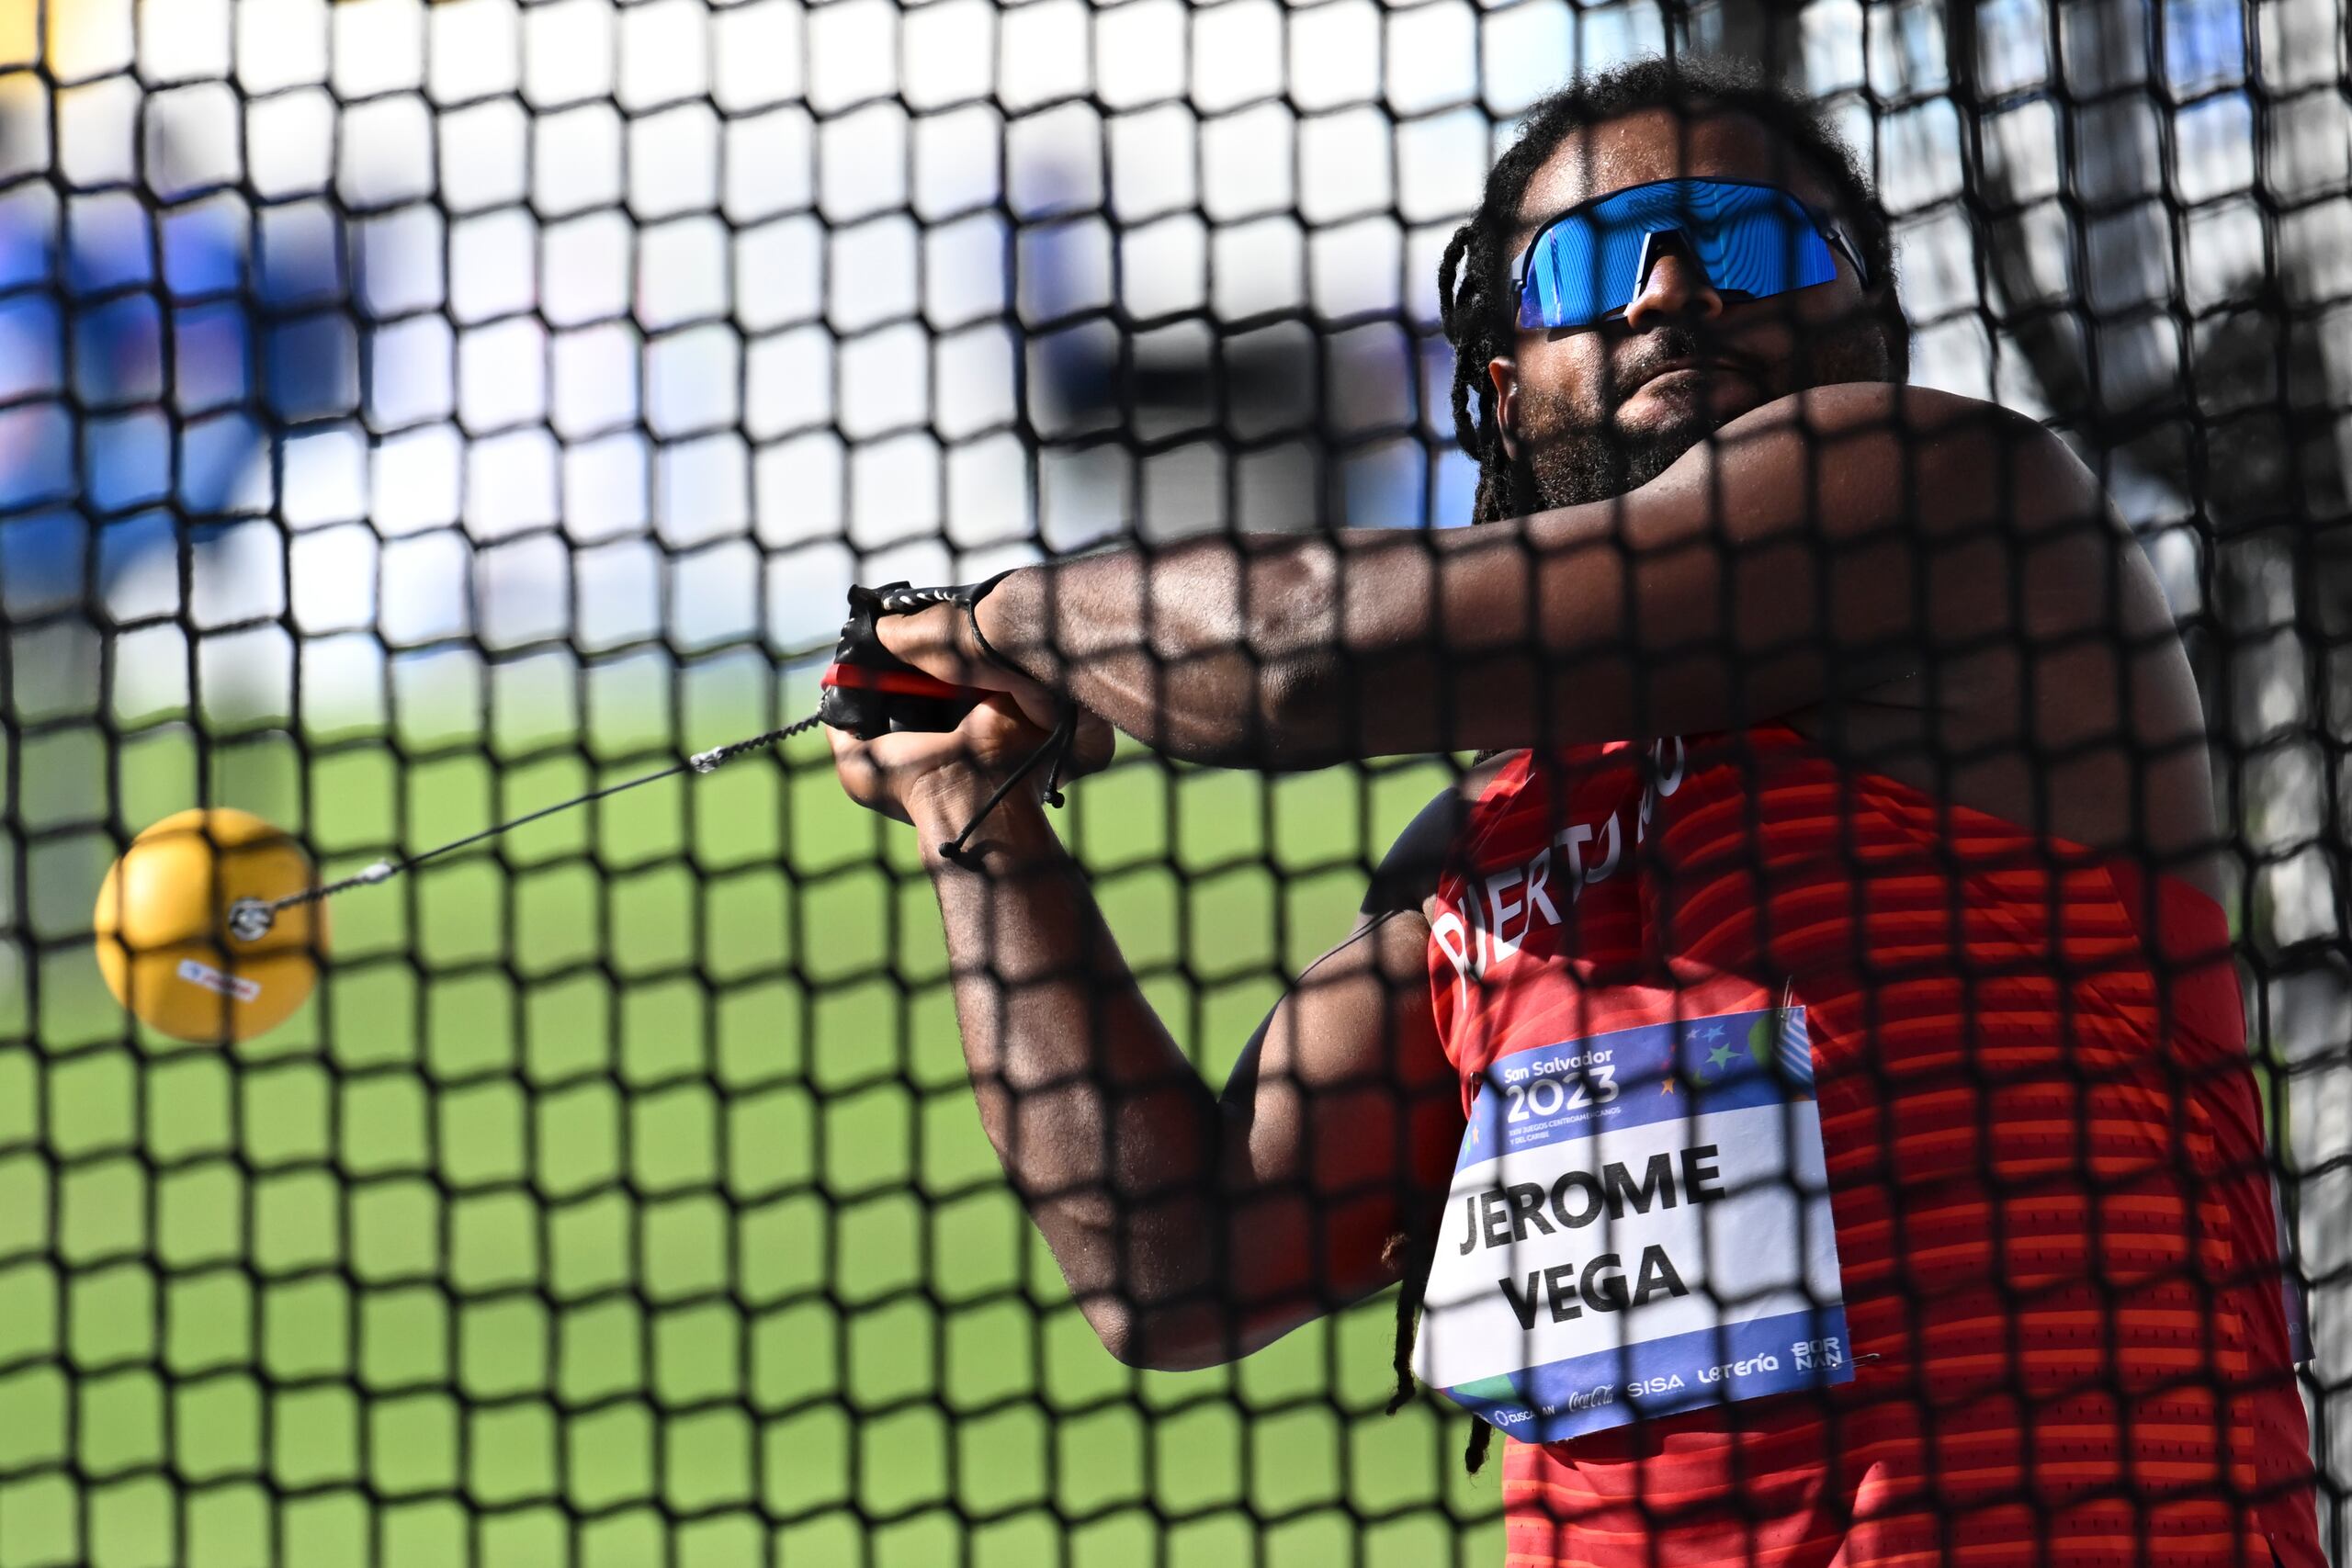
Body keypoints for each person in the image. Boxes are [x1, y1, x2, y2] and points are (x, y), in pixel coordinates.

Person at [827, 55, 2321, 1568]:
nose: (1673, 289)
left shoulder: (1963, 507)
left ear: (1869, 330)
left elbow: (1308, 656)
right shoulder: (1489, 848)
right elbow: (1179, 1264)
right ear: (1501, 387)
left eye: (1751, 238)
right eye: (1594, 262)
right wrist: (981, 822)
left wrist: (1014, 614)